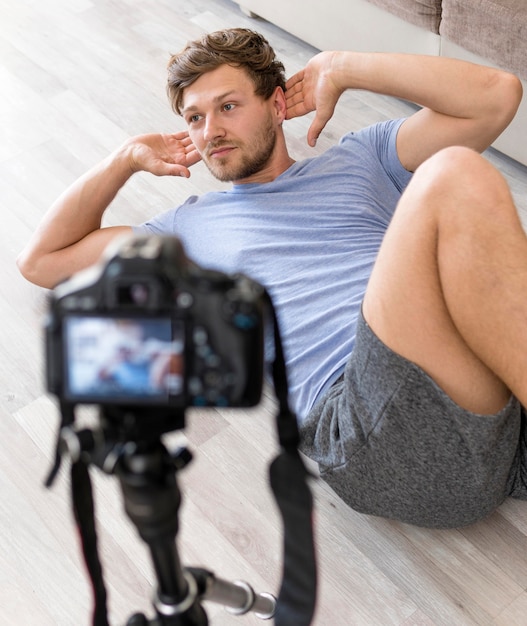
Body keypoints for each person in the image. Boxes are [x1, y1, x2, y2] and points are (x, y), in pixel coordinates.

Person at [17, 28, 527, 528]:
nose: (210, 129)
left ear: (279, 105)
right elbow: (42, 260)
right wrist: (123, 160)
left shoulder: (364, 156)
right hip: (366, 425)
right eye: (194, 117)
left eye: (228, 106)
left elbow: (497, 96)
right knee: (454, 173)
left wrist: (343, 67)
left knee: (461, 187)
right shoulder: (186, 230)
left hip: (489, 420)